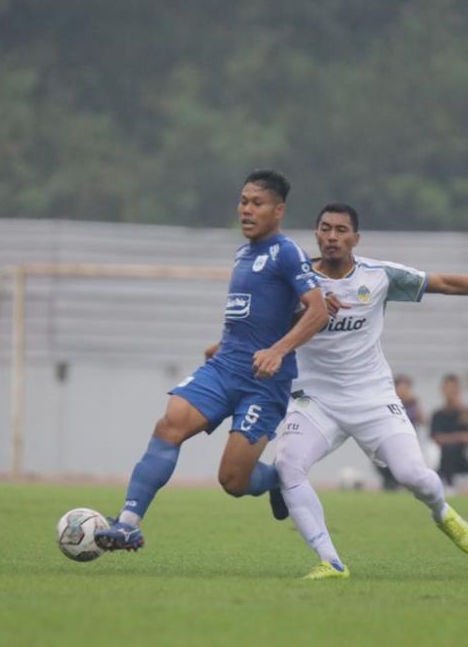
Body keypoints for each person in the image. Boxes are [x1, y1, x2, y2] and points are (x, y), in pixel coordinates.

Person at [273, 202, 468, 579]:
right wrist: (311, 313)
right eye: (325, 229)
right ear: (316, 233)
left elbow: (444, 283)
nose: (332, 236)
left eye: (341, 230)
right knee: (288, 465)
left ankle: (442, 513)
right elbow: (272, 327)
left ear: (356, 237)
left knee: (414, 476)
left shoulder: (379, 275)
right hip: (315, 400)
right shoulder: (299, 280)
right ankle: (331, 561)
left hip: (373, 398)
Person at [94, 170, 328, 552]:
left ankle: (278, 481)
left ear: (278, 210)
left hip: (264, 383)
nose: (246, 210)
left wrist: (277, 351)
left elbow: (317, 311)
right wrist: (222, 344)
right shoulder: (244, 252)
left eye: (257, 203)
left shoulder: (287, 254)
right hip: (224, 368)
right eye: (243, 201)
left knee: (233, 481)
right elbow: (258, 313)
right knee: (169, 425)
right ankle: (128, 524)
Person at [374, 375, 425, 491]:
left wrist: (416, 403)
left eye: (407, 388)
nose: (404, 391)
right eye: (401, 388)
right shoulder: (388, 403)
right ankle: (390, 484)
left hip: (407, 445)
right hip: (389, 443)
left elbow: (422, 420)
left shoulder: (413, 405)